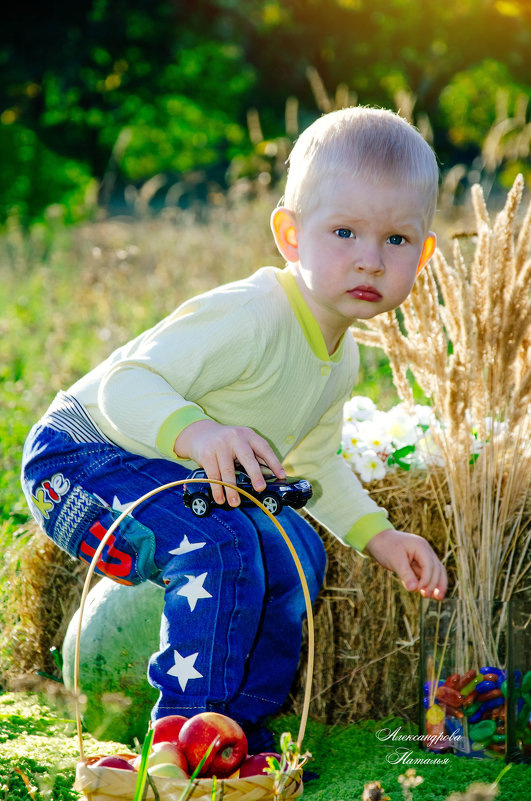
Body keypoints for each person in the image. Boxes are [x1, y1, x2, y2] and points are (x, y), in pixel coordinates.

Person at [21, 106, 447, 751]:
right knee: (219, 541)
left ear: (424, 251)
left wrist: (381, 537)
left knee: (297, 550)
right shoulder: (249, 314)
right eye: (343, 232)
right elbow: (124, 384)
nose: (369, 260)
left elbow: (313, 464)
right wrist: (199, 435)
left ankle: (237, 730)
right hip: (79, 461)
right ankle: (184, 730)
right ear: (291, 234)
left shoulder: (342, 359)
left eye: (396, 240)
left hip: (159, 472)